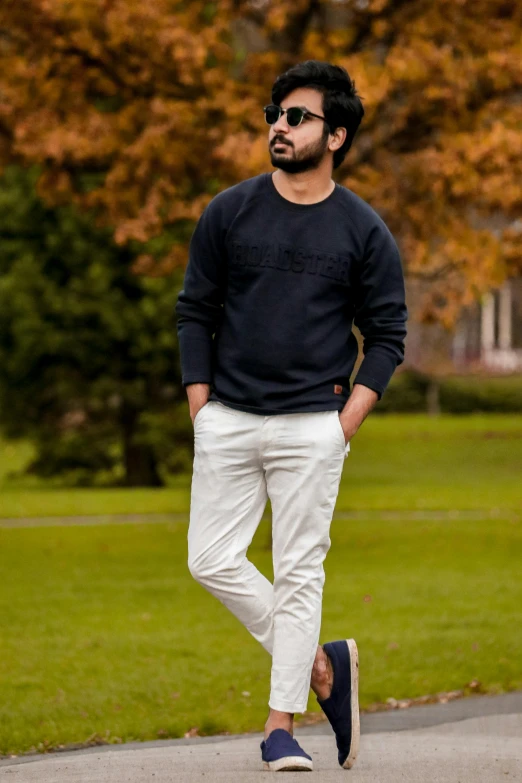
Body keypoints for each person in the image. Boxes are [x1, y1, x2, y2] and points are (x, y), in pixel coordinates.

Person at [175, 60, 408, 772]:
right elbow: (195, 311)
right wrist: (202, 407)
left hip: (315, 422)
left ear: (334, 134)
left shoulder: (363, 230)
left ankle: (281, 726)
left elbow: (388, 334)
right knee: (209, 558)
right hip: (230, 418)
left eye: (296, 116)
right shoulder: (230, 210)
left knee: (300, 571)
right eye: (275, 113)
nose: (278, 125)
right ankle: (322, 666)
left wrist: (345, 424)